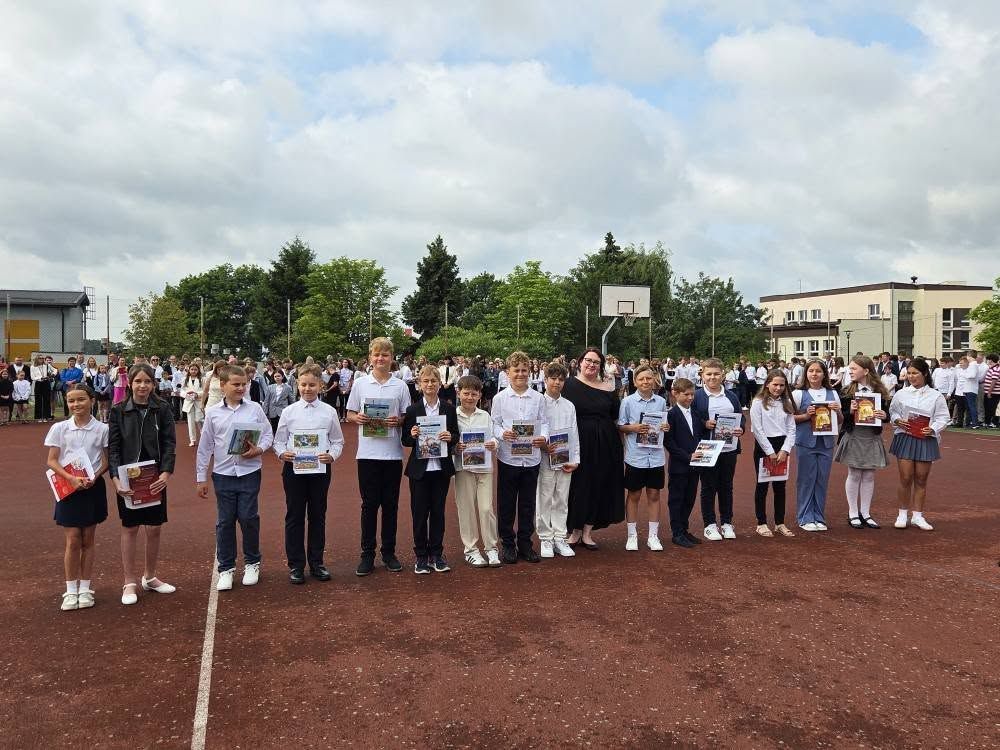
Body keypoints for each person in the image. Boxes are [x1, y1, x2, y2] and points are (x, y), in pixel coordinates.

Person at [196, 364, 274, 591]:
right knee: (225, 521)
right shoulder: (213, 413)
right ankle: (226, 568)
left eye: (244, 384)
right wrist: (201, 477)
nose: (241, 388)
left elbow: (268, 434)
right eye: (236, 384)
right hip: (223, 474)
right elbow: (205, 446)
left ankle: (252, 563)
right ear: (223, 385)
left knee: (248, 518)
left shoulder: (255, 409)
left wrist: (259, 449)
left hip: (249, 473)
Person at [108, 364, 177, 606]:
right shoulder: (118, 411)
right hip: (127, 478)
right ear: (130, 383)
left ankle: (150, 576)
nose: (143, 386)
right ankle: (129, 581)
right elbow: (113, 449)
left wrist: (166, 473)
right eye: (138, 381)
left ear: (153, 384)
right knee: (130, 528)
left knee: (154, 527)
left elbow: (169, 443)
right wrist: (116, 479)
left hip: (155, 477)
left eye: (147, 381)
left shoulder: (162, 409)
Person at [272, 364, 344, 584]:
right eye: (303, 384)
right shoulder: (289, 412)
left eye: (312, 385)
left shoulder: (329, 412)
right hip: (294, 471)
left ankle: (316, 563)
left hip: (320, 470)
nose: (307, 389)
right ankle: (296, 565)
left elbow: (337, 441)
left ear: (320, 385)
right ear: (297, 384)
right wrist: (282, 453)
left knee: (317, 516)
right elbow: (278, 441)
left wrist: (332, 455)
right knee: (294, 516)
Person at [346, 338, 411, 576]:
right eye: (376, 354)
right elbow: (350, 413)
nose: (380, 358)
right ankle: (367, 554)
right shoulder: (360, 383)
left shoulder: (400, 386)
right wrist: (359, 418)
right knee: (369, 505)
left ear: (392, 358)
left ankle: (389, 553)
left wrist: (398, 421)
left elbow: (406, 416)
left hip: (392, 454)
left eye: (385, 355)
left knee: (391, 505)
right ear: (370, 357)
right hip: (367, 454)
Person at [44, 383, 109, 610]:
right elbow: (52, 460)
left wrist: (94, 476)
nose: (76, 404)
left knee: (88, 539)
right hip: (68, 488)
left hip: (92, 488)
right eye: (71, 400)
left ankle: (85, 589)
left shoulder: (102, 429)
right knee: (73, 539)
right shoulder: (60, 428)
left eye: (81, 399)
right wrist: (70, 478)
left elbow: (106, 460)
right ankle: (71, 590)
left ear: (92, 400)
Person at [562, 348, 624, 549]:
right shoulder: (567, 384)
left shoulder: (609, 387)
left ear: (601, 366)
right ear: (580, 362)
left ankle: (588, 532)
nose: (591, 364)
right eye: (588, 360)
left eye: (596, 362)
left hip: (605, 443)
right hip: (577, 441)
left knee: (598, 484)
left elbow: (615, 415)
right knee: (577, 485)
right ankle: (574, 530)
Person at [491, 350, 549, 563]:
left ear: (529, 371)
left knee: (527, 503)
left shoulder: (538, 398)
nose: (520, 374)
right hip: (508, 457)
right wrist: (502, 433)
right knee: (506, 503)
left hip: (531, 458)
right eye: (516, 370)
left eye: (524, 370)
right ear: (508, 372)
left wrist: (543, 437)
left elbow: (544, 422)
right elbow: (494, 423)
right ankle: (508, 544)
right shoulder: (499, 398)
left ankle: (525, 544)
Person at [401, 365, 458, 574]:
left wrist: (450, 437)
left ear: (439, 384)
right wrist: (412, 435)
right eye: (425, 381)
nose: (430, 384)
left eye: (433, 381)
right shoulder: (413, 410)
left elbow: (455, 435)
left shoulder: (448, 409)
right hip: (419, 471)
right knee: (419, 514)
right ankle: (421, 556)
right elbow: (405, 440)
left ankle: (436, 554)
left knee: (438, 513)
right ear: (419, 384)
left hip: (441, 469)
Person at [888, 357, 950, 530]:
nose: (911, 376)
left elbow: (943, 417)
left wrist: (933, 429)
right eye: (909, 373)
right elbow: (893, 411)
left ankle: (918, 516)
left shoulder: (936, 395)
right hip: (905, 437)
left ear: (924, 374)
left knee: (921, 479)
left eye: (915, 373)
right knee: (905, 477)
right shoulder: (901, 393)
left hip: (926, 439)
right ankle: (902, 514)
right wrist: (897, 420)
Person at [835, 356, 891, 529]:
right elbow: (840, 417)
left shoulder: (879, 391)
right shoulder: (846, 391)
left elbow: (886, 415)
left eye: (854, 368)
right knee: (854, 473)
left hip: (871, 436)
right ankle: (853, 513)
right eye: (850, 368)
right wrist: (849, 411)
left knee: (869, 474)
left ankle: (865, 513)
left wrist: (884, 416)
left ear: (866, 371)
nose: (850, 371)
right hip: (854, 434)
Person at [692, 358, 744, 541]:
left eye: (716, 374)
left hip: (729, 448)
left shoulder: (731, 396)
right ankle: (710, 524)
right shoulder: (696, 396)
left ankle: (727, 522)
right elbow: (690, 420)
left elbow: (740, 417)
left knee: (726, 486)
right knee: (708, 487)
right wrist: (704, 423)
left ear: (723, 375)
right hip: (706, 447)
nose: (712, 377)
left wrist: (741, 429)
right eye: (709, 374)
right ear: (702, 375)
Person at [618, 364, 669, 551]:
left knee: (654, 495)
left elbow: (664, 424)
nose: (645, 382)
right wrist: (634, 428)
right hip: (636, 457)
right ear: (635, 381)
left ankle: (653, 536)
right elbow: (621, 426)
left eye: (648, 378)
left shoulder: (661, 401)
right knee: (634, 495)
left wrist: (666, 427)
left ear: (654, 379)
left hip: (655, 457)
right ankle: (632, 535)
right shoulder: (627, 402)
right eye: (641, 379)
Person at [453, 375, 501, 567]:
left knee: (486, 508)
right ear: (458, 393)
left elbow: (494, 437)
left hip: (484, 468)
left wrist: (493, 443)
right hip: (463, 468)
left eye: (474, 394)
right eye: (466, 393)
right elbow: (450, 441)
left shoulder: (485, 416)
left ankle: (491, 548)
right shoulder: (453, 416)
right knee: (466, 509)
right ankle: (471, 550)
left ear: (480, 395)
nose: (470, 397)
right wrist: (456, 447)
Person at [792, 359, 841, 532]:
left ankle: (819, 516)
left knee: (822, 480)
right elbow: (789, 418)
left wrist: (837, 411)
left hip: (826, 443)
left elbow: (840, 420)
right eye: (811, 371)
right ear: (806, 373)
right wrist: (806, 415)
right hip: (806, 442)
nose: (814, 374)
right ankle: (805, 517)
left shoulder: (833, 393)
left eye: (818, 371)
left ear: (824, 374)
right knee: (806, 480)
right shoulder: (798, 394)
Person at [536, 361, 580, 558]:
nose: (557, 382)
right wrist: (543, 446)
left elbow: (574, 433)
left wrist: (575, 459)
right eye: (553, 378)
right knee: (544, 498)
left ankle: (560, 537)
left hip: (564, 458)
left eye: (561, 379)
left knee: (562, 498)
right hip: (544, 458)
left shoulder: (569, 405)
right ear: (545, 380)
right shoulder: (538, 402)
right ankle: (545, 537)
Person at [749, 369, 796, 538]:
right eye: (775, 384)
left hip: (782, 447)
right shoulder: (758, 402)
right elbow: (757, 429)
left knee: (780, 487)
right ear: (767, 384)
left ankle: (779, 523)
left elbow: (791, 429)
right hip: (764, 447)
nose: (778, 388)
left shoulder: (787, 402)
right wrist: (770, 451)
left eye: (782, 385)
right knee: (762, 486)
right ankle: (761, 523)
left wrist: (785, 449)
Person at [665, 378, 705, 548]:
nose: (690, 398)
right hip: (679, 466)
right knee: (677, 499)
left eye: (692, 394)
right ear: (675, 393)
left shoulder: (695, 413)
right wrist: (687, 457)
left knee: (689, 499)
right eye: (686, 394)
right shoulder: (671, 415)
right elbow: (669, 443)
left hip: (695, 465)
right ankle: (677, 533)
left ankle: (684, 529)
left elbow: (700, 435)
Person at [181, 363, 205, 447]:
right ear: (189, 370)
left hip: (198, 402)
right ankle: (192, 440)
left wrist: (197, 394)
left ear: (198, 370)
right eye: (192, 369)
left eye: (195, 369)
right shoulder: (185, 379)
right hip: (189, 402)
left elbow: (205, 391)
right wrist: (186, 394)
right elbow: (182, 391)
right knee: (190, 422)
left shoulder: (202, 379)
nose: (193, 371)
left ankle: (204, 438)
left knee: (199, 420)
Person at [267, 368, 294, 433]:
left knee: (282, 429)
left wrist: (293, 411)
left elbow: (292, 400)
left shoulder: (288, 387)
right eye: (275, 376)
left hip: (283, 410)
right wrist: (265, 412)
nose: (277, 378)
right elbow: (267, 400)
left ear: (282, 376)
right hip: (272, 411)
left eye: (279, 376)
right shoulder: (270, 387)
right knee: (274, 429)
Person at [31, 354, 55, 421]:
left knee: (46, 400)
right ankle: (39, 417)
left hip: (46, 383)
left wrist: (52, 375)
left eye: (42, 358)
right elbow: (32, 377)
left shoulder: (46, 365)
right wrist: (40, 378)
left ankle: (46, 416)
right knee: (38, 400)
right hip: (38, 383)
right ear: (37, 359)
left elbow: (55, 370)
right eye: (40, 358)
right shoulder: (33, 367)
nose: (41, 359)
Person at [983, 354, 1000, 429]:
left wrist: (989, 392)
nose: (987, 361)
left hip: (994, 393)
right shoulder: (992, 368)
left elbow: (994, 381)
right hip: (989, 392)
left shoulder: (996, 369)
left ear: (991, 360)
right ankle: (988, 422)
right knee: (988, 407)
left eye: (988, 359)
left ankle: (994, 422)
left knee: (992, 408)